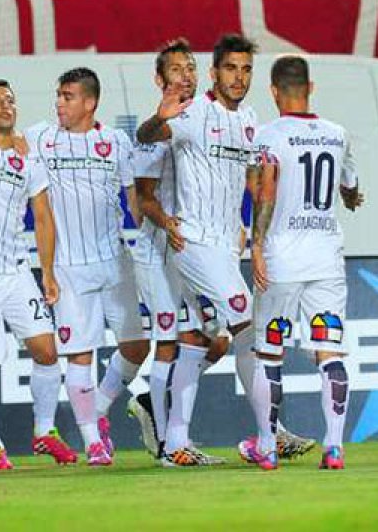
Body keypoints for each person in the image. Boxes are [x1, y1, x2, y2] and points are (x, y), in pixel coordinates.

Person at [135, 33, 260, 466]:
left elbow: (244, 180)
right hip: (189, 242)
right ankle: (269, 432)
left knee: (200, 339)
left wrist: (246, 227)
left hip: (224, 246)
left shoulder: (249, 120)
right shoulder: (192, 113)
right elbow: (148, 135)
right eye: (231, 68)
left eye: (246, 69)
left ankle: (174, 442)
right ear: (216, 73)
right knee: (243, 320)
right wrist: (157, 119)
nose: (239, 77)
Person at [238, 55, 364, 471]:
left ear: (273, 91)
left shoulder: (267, 135)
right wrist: (349, 198)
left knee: (269, 354)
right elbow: (350, 189)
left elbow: (265, 190)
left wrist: (256, 246)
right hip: (326, 258)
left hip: (281, 259)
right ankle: (334, 447)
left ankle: (267, 446)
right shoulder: (338, 134)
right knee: (329, 352)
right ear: (311, 88)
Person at [25, 68, 149, 466]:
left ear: (90, 102)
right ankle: (92, 439)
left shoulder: (114, 141)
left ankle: (97, 406)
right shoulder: (41, 138)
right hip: (68, 268)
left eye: (68, 96)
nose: (59, 103)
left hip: (115, 262)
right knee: (79, 355)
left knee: (136, 346)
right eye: (59, 95)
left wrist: (150, 241)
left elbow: (134, 200)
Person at [0, 79, 75, 470]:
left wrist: (49, 272)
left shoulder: (28, 161)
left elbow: (43, 217)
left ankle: (43, 432)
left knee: (46, 349)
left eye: (11, 99)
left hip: (15, 271)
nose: (7, 106)